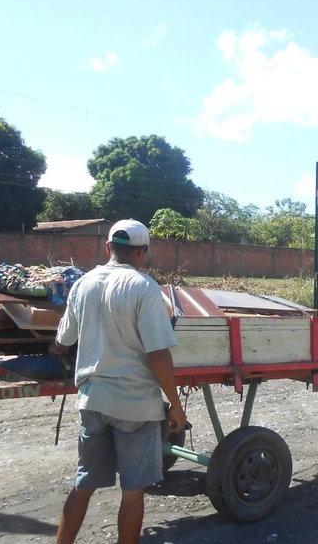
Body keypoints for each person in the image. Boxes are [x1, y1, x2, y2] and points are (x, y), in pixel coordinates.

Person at [49, 219, 186, 544]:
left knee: (84, 485)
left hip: (93, 401)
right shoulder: (144, 287)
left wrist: (53, 348)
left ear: (108, 248)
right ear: (143, 252)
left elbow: (64, 339)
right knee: (133, 491)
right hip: (135, 406)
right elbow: (158, 355)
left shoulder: (82, 284)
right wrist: (176, 405)